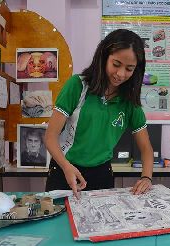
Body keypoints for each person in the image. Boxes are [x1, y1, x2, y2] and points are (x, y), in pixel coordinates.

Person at [45, 29, 154, 198]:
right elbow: (50, 137)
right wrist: (66, 167)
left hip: (102, 175)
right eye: (116, 64)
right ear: (103, 56)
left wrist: (146, 177)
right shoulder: (78, 86)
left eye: (129, 69)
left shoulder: (130, 101)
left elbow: (146, 148)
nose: (121, 74)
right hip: (64, 169)